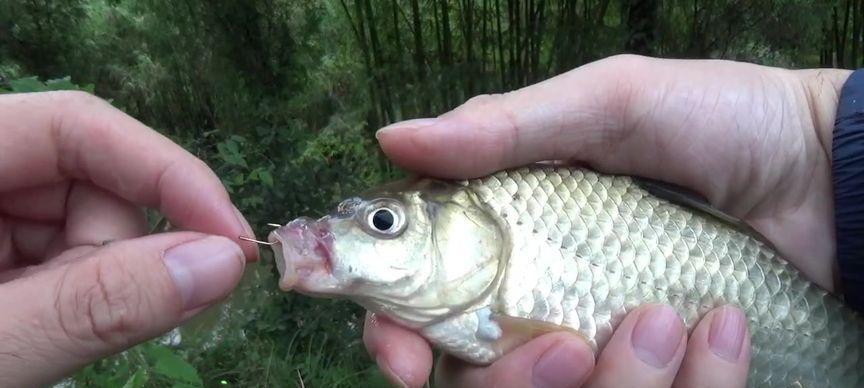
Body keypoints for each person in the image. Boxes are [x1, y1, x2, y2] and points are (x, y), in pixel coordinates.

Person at [0, 54, 852, 387]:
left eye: (381, 222)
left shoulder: (514, 229)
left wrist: (827, 146)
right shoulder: (474, 294)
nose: (351, 235)